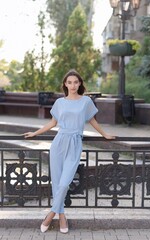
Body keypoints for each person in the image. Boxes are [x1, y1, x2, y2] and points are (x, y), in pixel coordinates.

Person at [23, 69, 115, 234]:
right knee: (57, 183)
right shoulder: (60, 103)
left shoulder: (86, 101)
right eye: (69, 82)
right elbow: (52, 123)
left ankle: (51, 214)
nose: (73, 85)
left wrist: (105, 134)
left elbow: (92, 120)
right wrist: (35, 133)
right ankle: (62, 216)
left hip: (74, 143)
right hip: (59, 143)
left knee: (65, 182)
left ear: (80, 84)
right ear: (65, 84)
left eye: (76, 82)